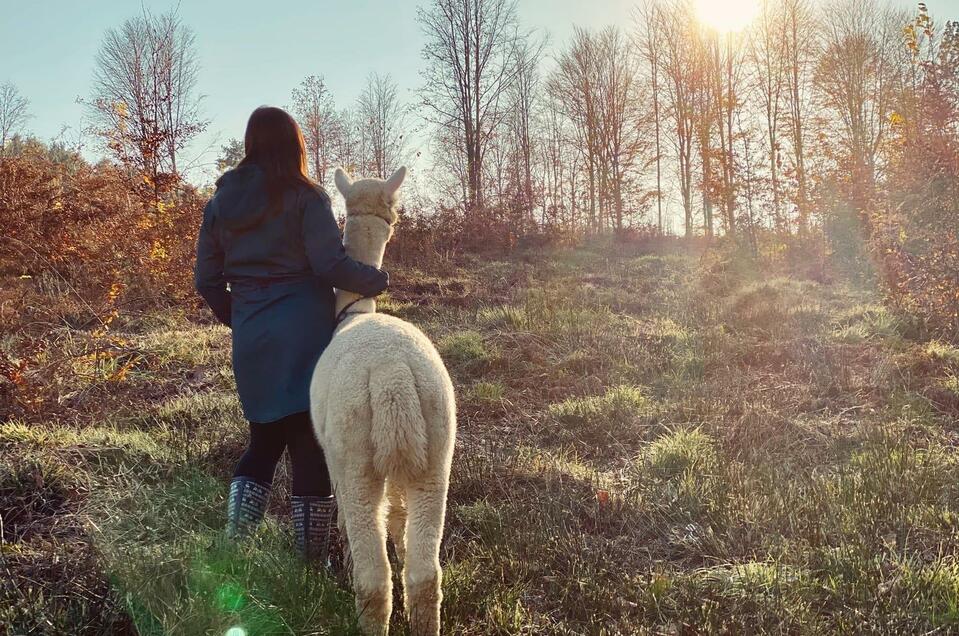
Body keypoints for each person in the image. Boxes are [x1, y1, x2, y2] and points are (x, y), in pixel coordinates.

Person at [194, 106, 389, 565]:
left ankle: (235, 549)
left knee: (262, 440)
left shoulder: (220, 203)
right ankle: (311, 564)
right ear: (295, 145)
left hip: (253, 340)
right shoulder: (307, 197)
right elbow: (328, 265)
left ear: (250, 144)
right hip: (306, 334)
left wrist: (239, 317)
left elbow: (205, 279)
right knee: (309, 443)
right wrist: (375, 280)